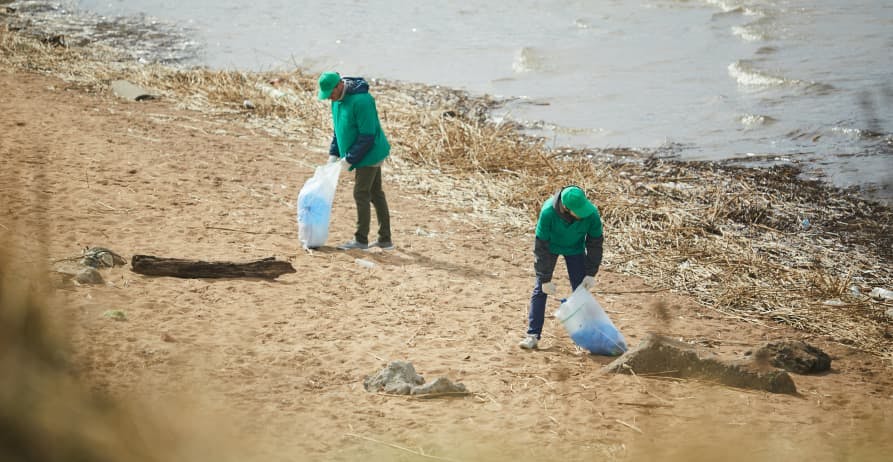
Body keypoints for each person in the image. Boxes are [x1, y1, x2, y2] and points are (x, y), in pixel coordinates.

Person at [519, 186, 604, 349]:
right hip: (550, 248)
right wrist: (544, 278)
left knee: (581, 291)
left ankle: (586, 335)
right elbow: (540, 246)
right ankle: (532, 335)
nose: (583, 214)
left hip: (575, 249)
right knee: (540, 290)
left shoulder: (591, 213)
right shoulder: (547, 212)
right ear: (565, 208)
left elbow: (595, 244)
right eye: (579, 211)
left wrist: (591, 272)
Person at [317, 71, 393, 250]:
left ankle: (361, 240)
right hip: (360, 152)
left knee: (361, 193)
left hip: (371, 152)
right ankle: (385, 240)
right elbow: (338, 130)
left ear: (339, 85)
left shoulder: (362, 101)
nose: (330, 98)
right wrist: (333, 154)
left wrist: (349, 159)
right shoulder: (336, 102)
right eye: (327, 96)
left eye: (331, 93)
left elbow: (367, 135)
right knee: (375, 193)